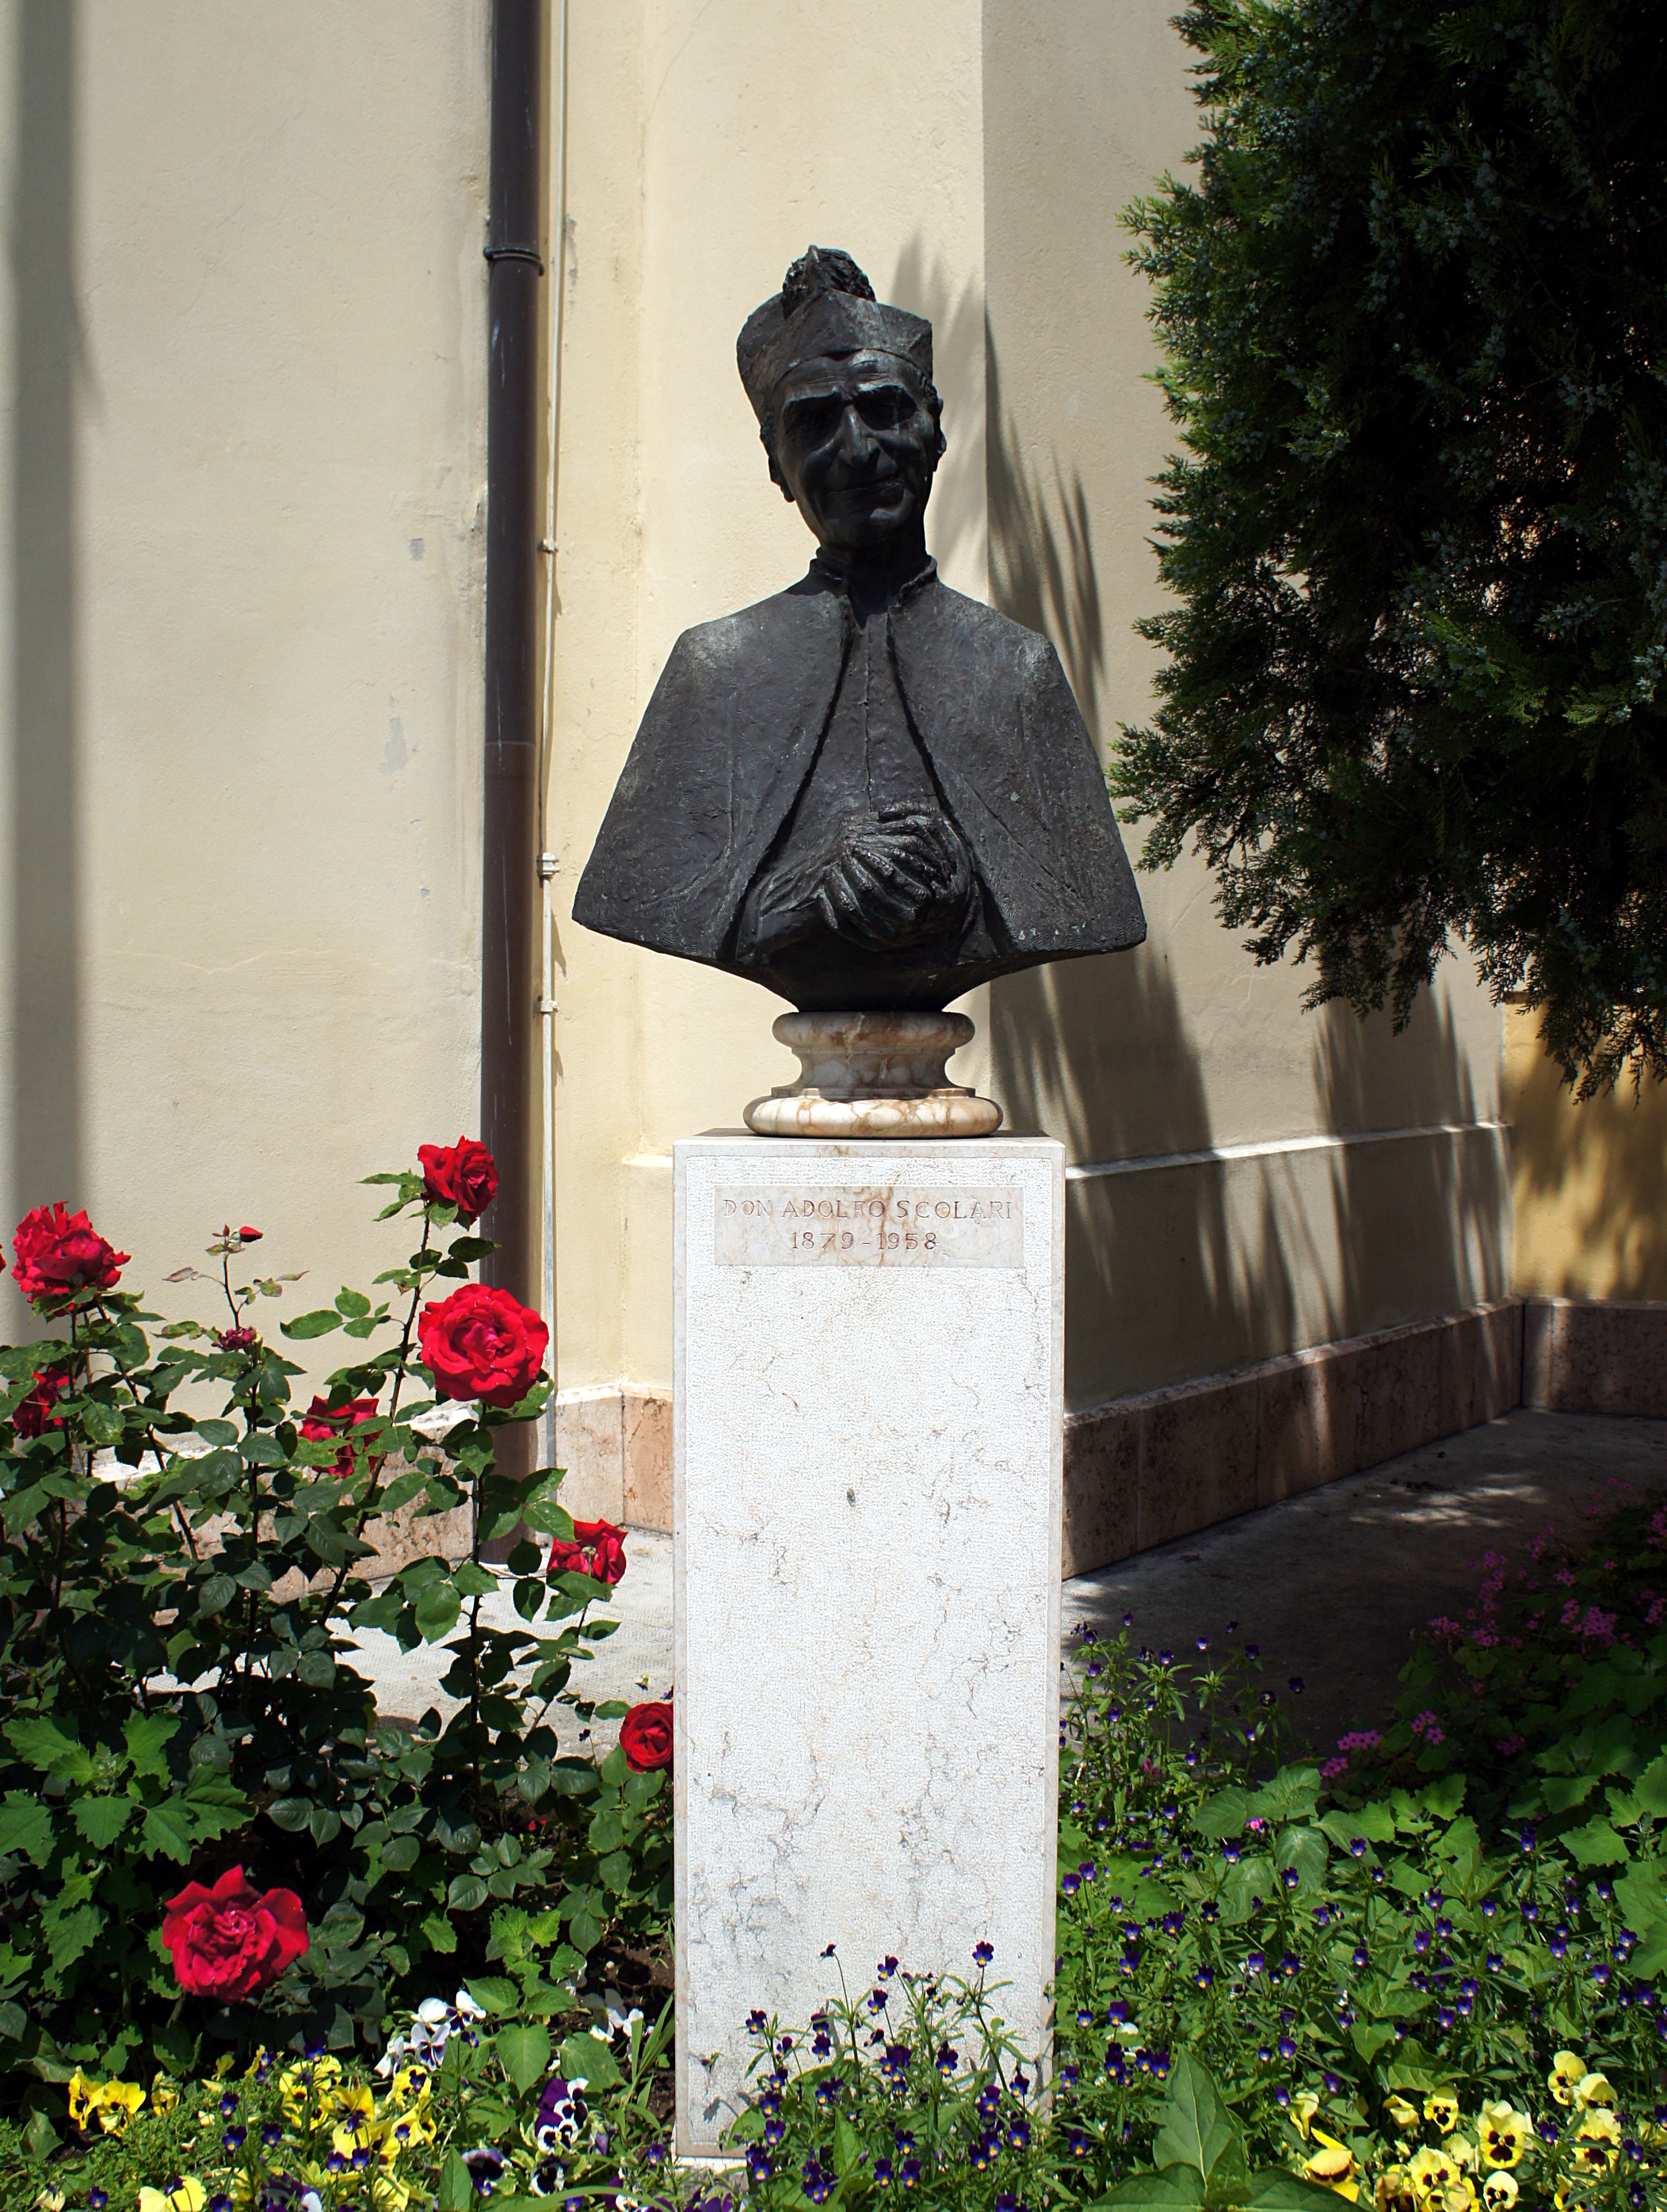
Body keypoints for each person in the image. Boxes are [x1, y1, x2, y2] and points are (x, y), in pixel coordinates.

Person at [574, 246, 1145, 1012]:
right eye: (813, 424)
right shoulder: (716, 668)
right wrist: (789, 902)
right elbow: (653, 895)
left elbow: (1080, 901)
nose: (855, 449)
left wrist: (960, 898)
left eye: (884, 409)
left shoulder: (1016, 668)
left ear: (935, 432)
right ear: (776, 464)